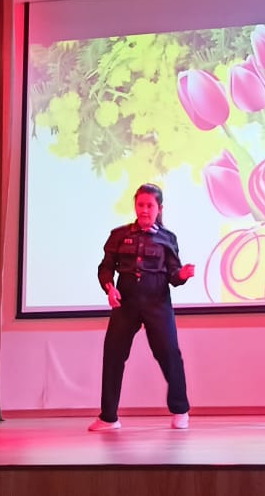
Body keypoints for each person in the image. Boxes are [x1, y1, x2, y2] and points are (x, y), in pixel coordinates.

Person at [89, 183, 196, 432]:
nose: (144, 210)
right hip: (126, 302)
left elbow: (173, 275)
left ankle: (180, 410)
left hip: (157, 302)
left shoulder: (168, 238)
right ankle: (108, 417)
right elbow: (105, 267)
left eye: (150, 205)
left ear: (159, 208)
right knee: (113, 355)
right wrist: (109, 288)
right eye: (140, 205)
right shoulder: (119, 234)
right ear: (135, 206)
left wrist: (182, 275)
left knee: (169, 354)